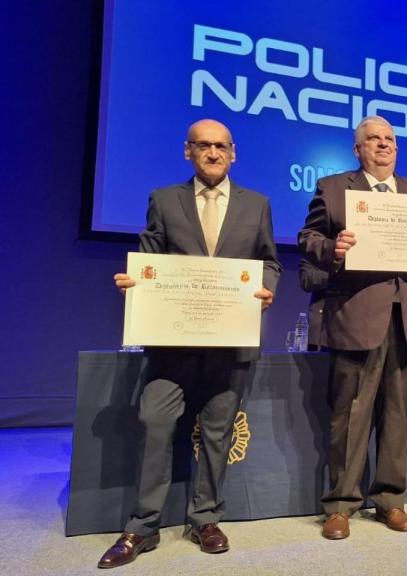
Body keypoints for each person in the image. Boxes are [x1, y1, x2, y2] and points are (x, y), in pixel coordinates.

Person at [99, 119, 281, 569]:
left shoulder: (257, 204)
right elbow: (150, 257)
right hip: (172, 343)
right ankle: (142, 526)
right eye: (203, 146)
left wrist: (266, 289)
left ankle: (205, 518)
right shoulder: (164, 199)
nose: (213, 153)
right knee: (155, 422)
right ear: (188, 152)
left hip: (231, 340)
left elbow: (269, 262)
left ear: (233, 153)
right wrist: (135, 282)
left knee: (218, 433)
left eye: (221, 146)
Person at [297, 116, 407, 540]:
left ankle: (390, 500)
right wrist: (333, 248)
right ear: (358, 149)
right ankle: (340, 505)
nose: (383, 145)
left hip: (406, 317)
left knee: (396, 414)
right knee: (350, 414)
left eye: (389, 139)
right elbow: (307, 238)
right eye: (373, 139)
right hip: (355, 314)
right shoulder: (334, 189)